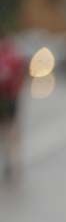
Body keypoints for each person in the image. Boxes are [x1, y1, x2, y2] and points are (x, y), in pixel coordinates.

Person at [0, 35, 26, 184]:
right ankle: (11, 159)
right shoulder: (15, 58)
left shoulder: (12, 58)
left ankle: (10, 159)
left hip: (8, 99)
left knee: (8, 131)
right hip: (10, 98)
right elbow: (19, 79)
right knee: (10, 131)